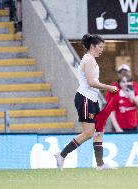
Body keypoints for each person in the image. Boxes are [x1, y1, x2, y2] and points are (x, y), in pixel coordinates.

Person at [54, 34, 118, 170]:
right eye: (100, 47)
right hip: (85, 99)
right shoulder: (88, 60)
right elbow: (91, 82)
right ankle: (62, 154)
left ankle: (100, 164)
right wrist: (109, 87)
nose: (102, 49)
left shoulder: (92, 60)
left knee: (98, 131)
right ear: (92, 46)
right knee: (89, 132)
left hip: (92, 99)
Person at [106, 64, 138, 132]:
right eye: (121, 73)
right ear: (118, 75)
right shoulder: (113, 88)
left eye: (126, 72)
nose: (124, 74)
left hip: (135, 125)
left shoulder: (135, 86)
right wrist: (117, 128)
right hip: (119, 126)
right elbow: (110, 110)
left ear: (129, 73)